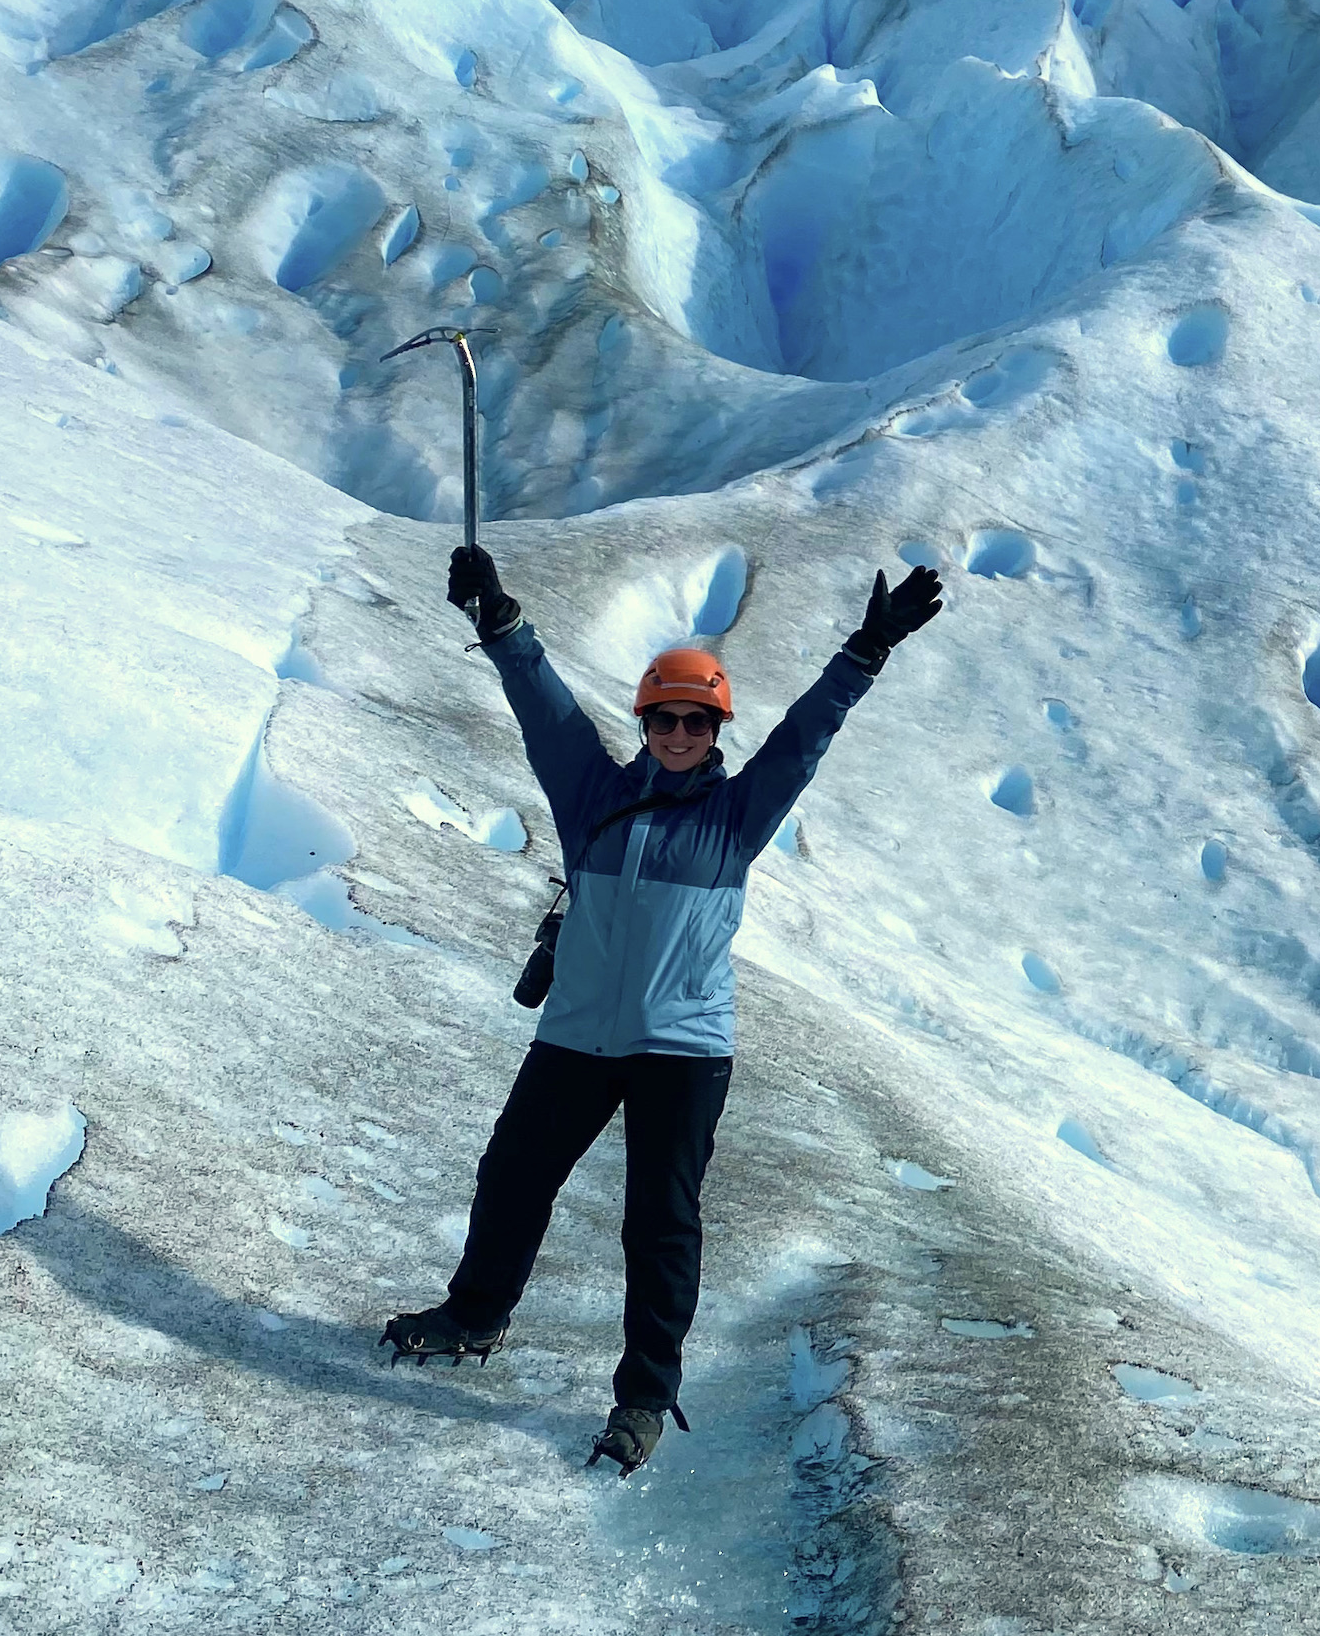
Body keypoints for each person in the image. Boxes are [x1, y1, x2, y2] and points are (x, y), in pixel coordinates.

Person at [382, 544, 943, 1476]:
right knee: (512, 1175)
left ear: (717, 729)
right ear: (643, 722)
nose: (679, 732)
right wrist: (498, 618)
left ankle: (645, 1395)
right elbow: (545, 710)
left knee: (660, 1221)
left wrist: (866, 651)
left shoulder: (735, 815)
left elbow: (807, 735)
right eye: (664, 718)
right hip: (575, 1036)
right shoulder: (593, 796)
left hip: (682, 1050)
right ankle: (476, 1315)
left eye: (696, 720)